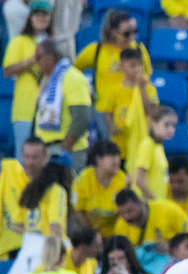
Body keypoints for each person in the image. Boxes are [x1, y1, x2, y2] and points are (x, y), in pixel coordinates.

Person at [74, 9, 151, 137]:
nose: (132, 37)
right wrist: (84, 91)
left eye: (134, 32)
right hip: (105, 111)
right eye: (126, 33)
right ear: (113, 32)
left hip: (132, 109)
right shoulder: (97, 50)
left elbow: (147, 78)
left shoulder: (139, 50)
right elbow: (73, 70)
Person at [32, 39, 92, 169]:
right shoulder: (48, 81)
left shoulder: (73, 78)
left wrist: (64, 148)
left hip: (67, 151)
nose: (36, 61)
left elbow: (81, 117)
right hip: (49, 150)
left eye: (38, 57)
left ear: (50, 57)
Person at [112, 188, 188, 274]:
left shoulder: (167, 209)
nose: (127, 217)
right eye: (122, 213)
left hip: (176, 266)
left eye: (130, 211)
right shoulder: (121, 225)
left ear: (140, 202)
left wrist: (171, 245)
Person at [2, 0, 51, 151]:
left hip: (50, 113)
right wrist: (31, 60)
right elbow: (7, 71)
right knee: (25, 162)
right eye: (36, 14)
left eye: (45, 14)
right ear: (29, 17)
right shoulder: (19, 41)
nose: (40, 17)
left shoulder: (54, 44)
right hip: (25, 111)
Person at [100, 47, 157, 163]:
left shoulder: (149, 89)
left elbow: (150, 112)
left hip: (141, 145)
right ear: (121, 67)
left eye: (139, 65)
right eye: (132, 66)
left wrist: (141, 88)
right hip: (120, 146)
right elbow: (107, 112)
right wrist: (112, 126)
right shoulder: (114, 90)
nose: (137, 69)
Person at [1, 139, 46, 257]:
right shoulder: (9, 169)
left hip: (36, 251)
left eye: (35, 157)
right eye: (27, 157)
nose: (30, 162)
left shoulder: (50, 186)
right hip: (6, 251)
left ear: (44, 158)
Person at [72, 141, 127, 236]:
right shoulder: (83, 179)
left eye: (118, 156)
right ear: (99, 160)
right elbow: (77, 211)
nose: (116, 160)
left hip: (114, 235)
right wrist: (92, 234)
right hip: (88, 232)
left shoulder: (123, 180)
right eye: (112, 156)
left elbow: (124, 214)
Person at [16, 155, 69, 242]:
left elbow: (16, 225)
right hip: (48, 248)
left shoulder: (28, 189)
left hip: (29, 247)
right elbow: (55, 227)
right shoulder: (57, 191)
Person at [130, 106, 178, 201]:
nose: (171, 130)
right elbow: (139, 180)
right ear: (154, 124)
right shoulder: (147, 145)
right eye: (166, 125)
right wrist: (154, 200)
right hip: (147, 204)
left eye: (173, 125)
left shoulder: (159, 147)